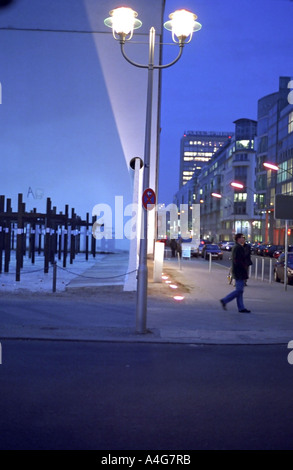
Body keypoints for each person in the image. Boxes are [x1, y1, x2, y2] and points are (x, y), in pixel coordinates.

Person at [220, 233, 251, 313]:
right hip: (239, 272)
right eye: (242, 237)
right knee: (239, 290)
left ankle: (241, 308)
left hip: (238, 271)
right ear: (238, 239)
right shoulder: (238, 248)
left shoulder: (237, 247)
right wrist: (242, 268)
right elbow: (237, 260)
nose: (243, 239)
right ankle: (225, 300)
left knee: (240, 291)